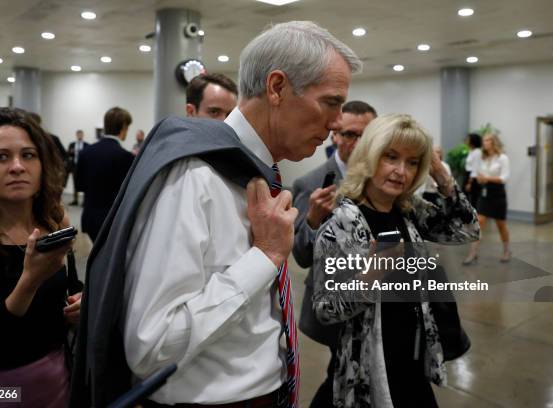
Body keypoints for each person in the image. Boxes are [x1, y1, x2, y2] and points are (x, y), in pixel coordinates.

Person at [71, 20, 362, 407]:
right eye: (331, 102)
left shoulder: (257, 172)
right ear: (277, 87)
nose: (337, 122)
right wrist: (264, 257)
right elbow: (152, 344)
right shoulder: (195, 176)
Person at [312, 114, 480, 408]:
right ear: (370, 156)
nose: (401, 171)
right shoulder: (342, 223)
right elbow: (325, 309)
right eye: (391, 157)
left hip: (413, 358)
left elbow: (466, 230)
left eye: (413, 162)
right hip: (370, 367)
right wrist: (371, 277)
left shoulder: (409, 209)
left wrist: (441, 176)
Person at [0, 107, 83, 408]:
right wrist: (29, 282)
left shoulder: (54, 223)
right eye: (1, 157)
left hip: (56, 378)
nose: (17, 167)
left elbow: (70, 286)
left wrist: (79, 301)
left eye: (28, 155)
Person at [291, 100, 376, 408]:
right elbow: (300, 256)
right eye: (349, 134)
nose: (356, 143)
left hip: (376, 301)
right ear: (335, 136)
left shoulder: (381, 179)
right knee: (342, 376)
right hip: (336, 305)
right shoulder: (311, 183)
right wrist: (313, 219)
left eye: (365, 135)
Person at [76, 107, 134, 242]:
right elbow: (127, 193)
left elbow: (79, 185)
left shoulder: (86, 152)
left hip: (89, 217)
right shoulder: (125, 157)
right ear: (124, 126)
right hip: (112, 220)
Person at [464, 133, 511, 264]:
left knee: (501, 225)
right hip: (485, 192)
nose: (485, 143)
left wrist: (487, 178)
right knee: (479, 222)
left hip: (498, 193)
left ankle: (506, 250)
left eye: (488, 140)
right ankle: (472, 253)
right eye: (484, 140)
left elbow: (504, 178)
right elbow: (478, 172)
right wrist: (479, 178)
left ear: (494, 142)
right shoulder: (483, 158)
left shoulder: (503, 158)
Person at [67, 130, 90, 205]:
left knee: (85, 183)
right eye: (78, 134)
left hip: (84, 166)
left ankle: (85, 201)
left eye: (81, 134)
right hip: (74, 166)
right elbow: (68, 154)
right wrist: (71, 152)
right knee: (75, 183)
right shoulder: (72, 144)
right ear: (76, 135)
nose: (80, 136)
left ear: (83, 135)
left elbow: (88, 155)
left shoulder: (87, 145)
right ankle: (75, 200)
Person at [464, 133, 482, 208]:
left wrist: (469, 182)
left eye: (468, 139)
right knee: (466, 197)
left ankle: (474, 216)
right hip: (468, 174)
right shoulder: (471, 151)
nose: (466, 140)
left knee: (473, 198)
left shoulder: (477, 152)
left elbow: (475, 168)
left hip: (472, 177)